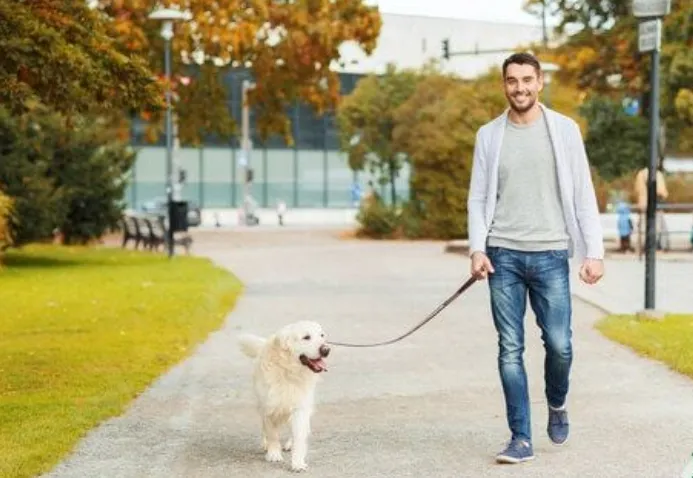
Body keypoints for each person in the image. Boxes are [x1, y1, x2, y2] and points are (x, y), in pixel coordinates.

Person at [467, 52, 605, 464]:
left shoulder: (564, 130)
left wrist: (593, 253)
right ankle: (520, 438)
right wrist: (477, 247)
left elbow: (583, 193)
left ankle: (557, 402)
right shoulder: (489, 135)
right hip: (503, 256)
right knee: (510, 348)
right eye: (512, 80)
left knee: (560, 346)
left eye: (528, 79)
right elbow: (477, 197)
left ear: (540, 82)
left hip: (551, 254)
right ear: (504, 85)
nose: (520, 87)